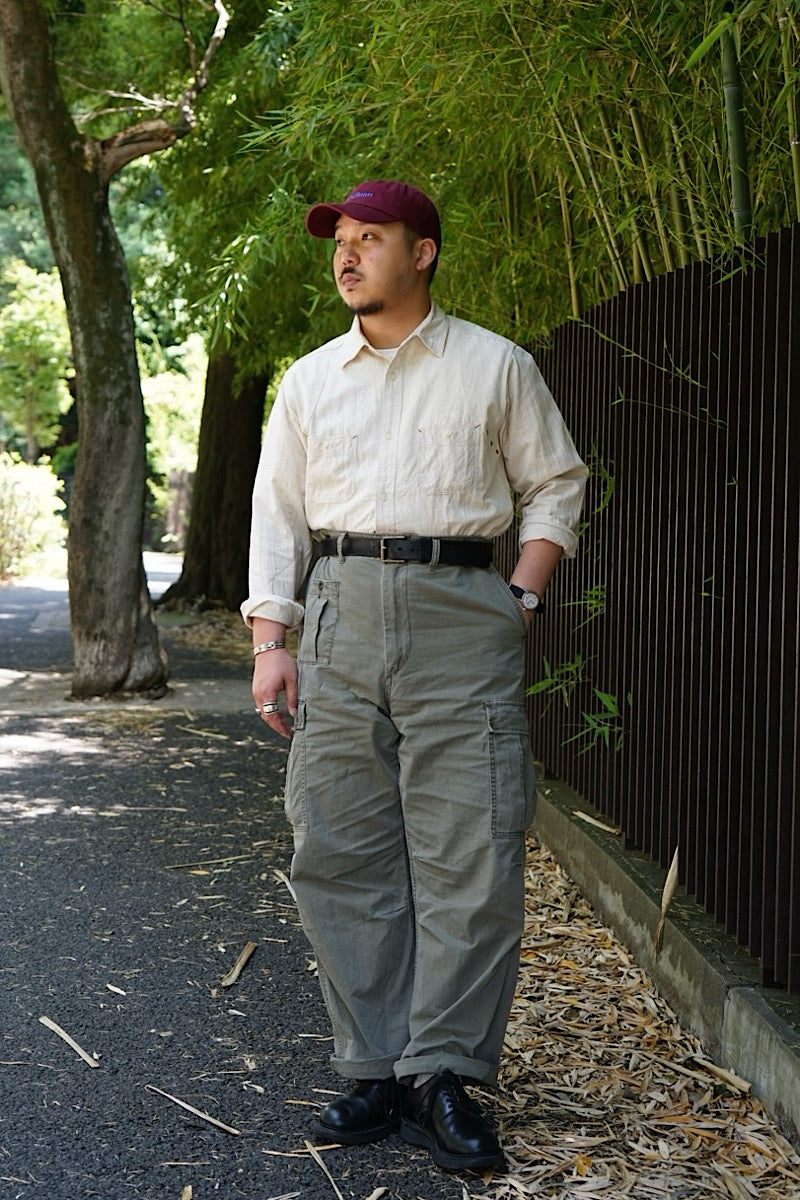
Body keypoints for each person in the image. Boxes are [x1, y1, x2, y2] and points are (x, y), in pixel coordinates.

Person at [242, 179, 587, 1173]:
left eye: (369, 239)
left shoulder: (493, 366)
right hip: (342, 612)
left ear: (422, 252)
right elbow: (278, 515)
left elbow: (555, 482)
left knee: (468, 848)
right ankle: (373, 1071)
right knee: (337, 842)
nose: (346, 256)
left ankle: (442, 1074)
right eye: (340, 242)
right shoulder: (310, 381)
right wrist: (274, 640)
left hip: (459, 613)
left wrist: (519, 598)